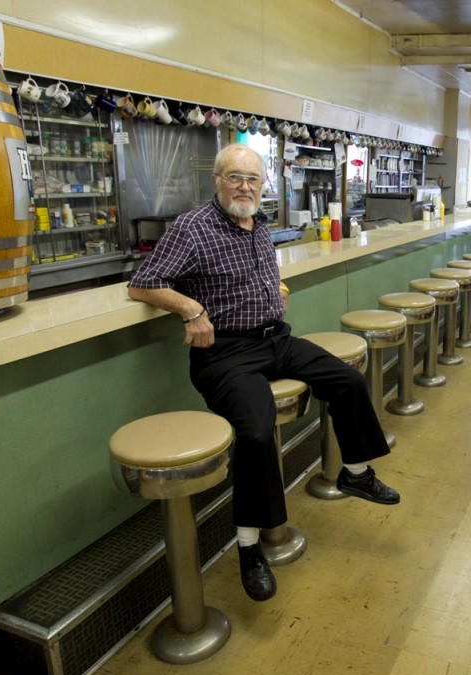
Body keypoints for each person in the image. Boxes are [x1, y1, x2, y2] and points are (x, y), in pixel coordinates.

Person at [128, 143, 400, 603]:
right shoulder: (192, 228)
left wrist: (275, 288)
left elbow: (258, 272)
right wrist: (191, 308)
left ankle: (354, 471)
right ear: (216, 181)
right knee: (255, 432)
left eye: (253, 179)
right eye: (235, 177)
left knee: (348, 381)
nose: (245, 186)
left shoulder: (259, 223)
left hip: (275, 339)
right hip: (226, 355)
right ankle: (250, 548)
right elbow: (143, 283)